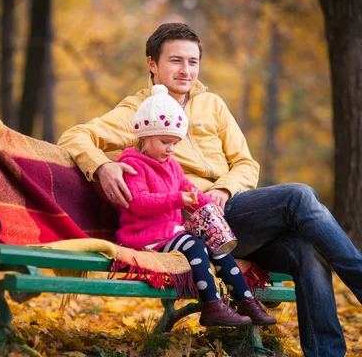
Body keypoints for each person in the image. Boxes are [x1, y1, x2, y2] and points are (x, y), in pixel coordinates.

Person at [58, 22, 362, 356]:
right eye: (176, 60)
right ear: (152, 64)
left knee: (308, 252)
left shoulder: (212, 104)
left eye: (193, 61)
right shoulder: (136, 113)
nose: (186, 70)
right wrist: (103, 165)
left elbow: (247, 163)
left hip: (234, 210)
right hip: (194, 223)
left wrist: (225, 190)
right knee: (297, 195)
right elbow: (75, 136)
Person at [114, 83, 277, 327]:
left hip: (168, 232)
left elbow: (190, 190)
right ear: (145, 136)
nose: (171, 149)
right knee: (195, 244)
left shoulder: (172, 165)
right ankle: (212, 305)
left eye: (175, 143)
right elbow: (138, 203)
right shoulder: (133, 165)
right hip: (142, 235)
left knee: (217, 245)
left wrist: (209, 205)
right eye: (165, 141)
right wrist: (178, 200)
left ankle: (245, 300)